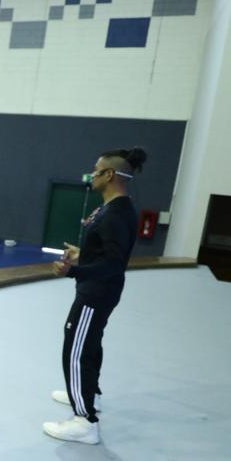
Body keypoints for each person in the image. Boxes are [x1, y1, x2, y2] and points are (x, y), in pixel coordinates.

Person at [45, 147, 147, 445]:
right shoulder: (114, 208)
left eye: (96, 170)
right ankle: (90, 393)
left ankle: (84, 420)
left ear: (110, 174)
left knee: (75, 349)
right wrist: (83, 254)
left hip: (96, 292)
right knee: (90, 342)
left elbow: (113, 264)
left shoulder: (116, 214)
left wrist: (72, 271)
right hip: (100, 290)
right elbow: (106, 252)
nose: (92, 175)